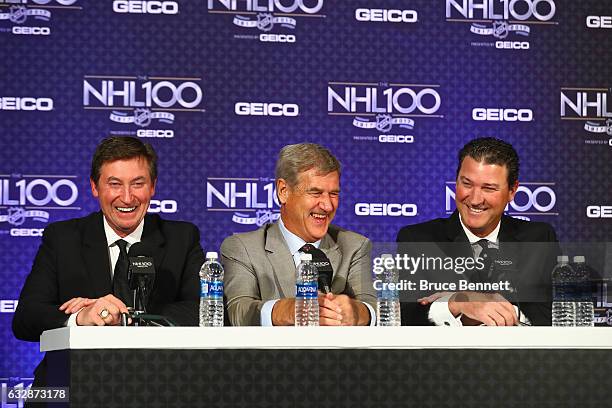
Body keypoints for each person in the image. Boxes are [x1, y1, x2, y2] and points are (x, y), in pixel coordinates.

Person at [13, 137, 204, 383]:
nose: (127, 197)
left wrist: (124, 316)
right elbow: (26, 318)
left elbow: (204, 311)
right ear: (95, 187)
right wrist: (81, 318)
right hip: (75, 380)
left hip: (160, 380)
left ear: (153, 186)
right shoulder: (63, 239)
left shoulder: (181, 237)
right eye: (114, 184)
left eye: (138, 183)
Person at [397, 137, 559, 326]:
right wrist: (457, 302)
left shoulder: (537, 239)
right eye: (466, 184)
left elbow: (550, 315)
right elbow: (407, 316)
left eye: (488, 188)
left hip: (518, 354)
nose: (474, 199)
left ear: (512, 191)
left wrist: (497, 309)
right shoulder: (419, 239)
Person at [221, 143, 376, 326]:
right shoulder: (243, 248)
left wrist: (356, 312)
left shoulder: (354, 246)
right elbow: (238, 312)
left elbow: (372, 307)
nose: (327, 205)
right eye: (315, 192)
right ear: (283, 191)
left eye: (333, 194)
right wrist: (290, 310)